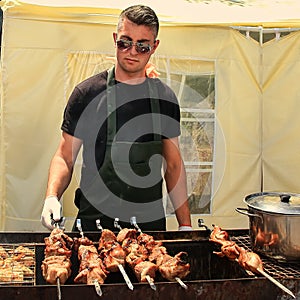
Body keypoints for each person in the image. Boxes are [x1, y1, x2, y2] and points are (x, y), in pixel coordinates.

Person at [41, 5, 192, 232]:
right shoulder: (87, 93)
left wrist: (186, 225)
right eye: (125, 42)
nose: (132, 51)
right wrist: (52, 196)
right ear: (115, 39)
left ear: (154, 47)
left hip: (148, 230)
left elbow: (173, 165)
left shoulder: (164, 99)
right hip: (92, 227)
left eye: (142, 46)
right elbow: (65, 157)